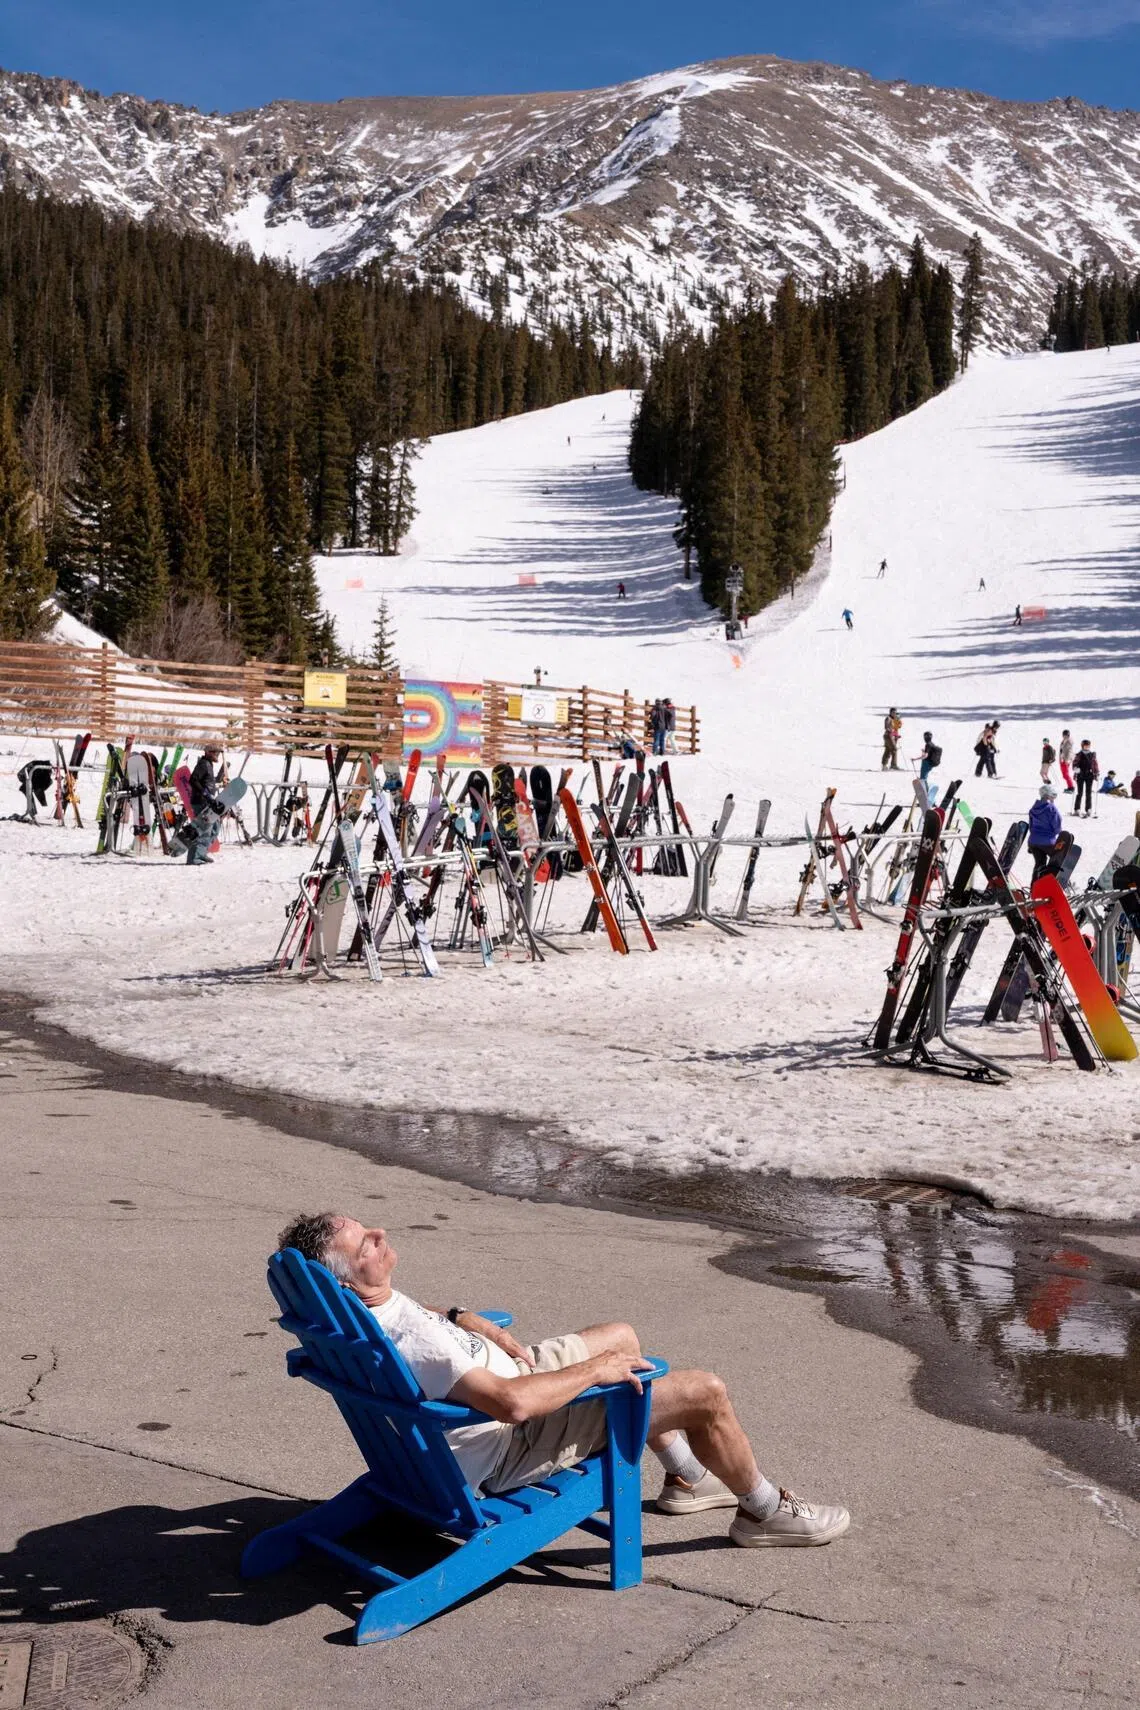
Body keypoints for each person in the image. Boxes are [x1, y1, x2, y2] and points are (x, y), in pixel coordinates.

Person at [277, 1212, 851, 1550]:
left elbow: (418, 1327)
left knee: (621, 1336)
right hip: (509, 1444)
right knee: (704, 1391)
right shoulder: (414, 1341)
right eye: (365, 1243)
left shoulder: (354, 1319)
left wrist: (458, 1316)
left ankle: (690, 1480)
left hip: (479, 1402)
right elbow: (511, 1405)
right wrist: (593, 1373)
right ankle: (763, 1511)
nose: (379, 1232)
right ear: (347, 1279)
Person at [187, 744, 226, 865]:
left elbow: (207, 781)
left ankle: (201, 853)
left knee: (215, 828)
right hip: (201, 802)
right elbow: (193, 779)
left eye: (218, 753)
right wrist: (205, 793)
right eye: (215, 752)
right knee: (204, 830)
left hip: (207, 802)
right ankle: (195, 858)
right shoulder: (203, 764)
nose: (217, 755)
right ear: (208, 752)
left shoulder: (208, 765)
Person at [1027, 784, 1063, 881]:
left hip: (1033, 841)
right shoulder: (1051, 808)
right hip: (1047, 842)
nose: (1054, 798)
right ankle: (1055, 884)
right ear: (1049, 795)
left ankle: (1034, 887)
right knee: (1057, 863)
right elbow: (1057, 827)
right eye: (1053, 796)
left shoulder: (1033, 809)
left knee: (1039, 863)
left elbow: (1031, 826)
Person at [1073, 740, 1098, 817]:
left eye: (1088, 746)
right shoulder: (1079, 754)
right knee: (1080, 793)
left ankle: (1088, 809)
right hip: (1080, 775)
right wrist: (1075, 769)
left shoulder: (1092, 755)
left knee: (1088, 793)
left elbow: (1095, 764)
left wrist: (1096, 772)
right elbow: (1074, 763)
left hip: (1089, 775)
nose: (1087, 747)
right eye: (1085, 746)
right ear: (1082, 746)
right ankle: (1077, 809)